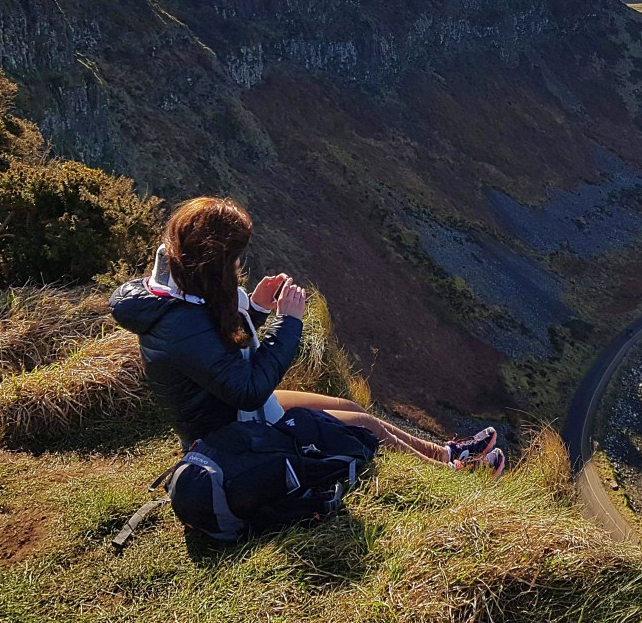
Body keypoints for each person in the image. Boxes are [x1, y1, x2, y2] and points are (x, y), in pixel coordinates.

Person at [110, 196, 504, 476]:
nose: (240, 263)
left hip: (227, 410)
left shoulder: (179, 289)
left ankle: (445, 452)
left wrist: (259, 310)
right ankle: (453, 472)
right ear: (215, 259)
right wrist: (289, 322)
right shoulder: (181, 322)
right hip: (229, 432)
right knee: (365, 426)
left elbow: (216, 353)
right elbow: (246, 388)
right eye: (235, 256)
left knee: (351, 407)